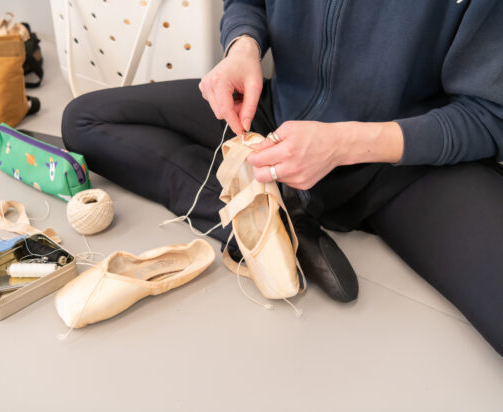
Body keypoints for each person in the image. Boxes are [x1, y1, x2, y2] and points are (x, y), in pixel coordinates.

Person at [61, 0, 503, 355]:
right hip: (277, 119)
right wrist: (243, 45)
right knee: (86, 121)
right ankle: (276, 222)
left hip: (406, 161)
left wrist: (344, 144)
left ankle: (271, 216)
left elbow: (490, 115)